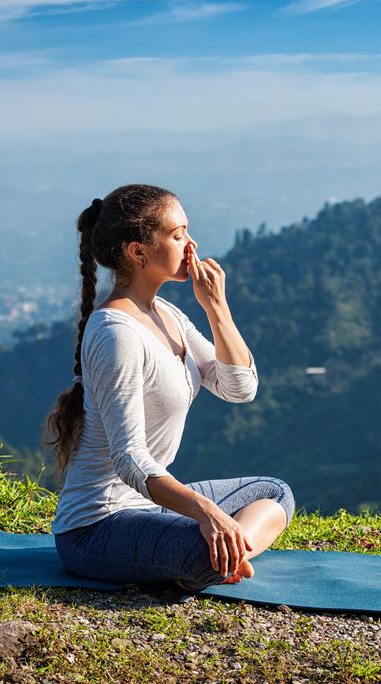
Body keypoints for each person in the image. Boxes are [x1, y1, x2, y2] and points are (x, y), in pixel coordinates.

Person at [45, 184, 294, 592]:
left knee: (274, 493)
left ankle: (225, 557)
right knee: (204, 545)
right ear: (137, 252)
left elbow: (239, 388)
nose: (191, 244)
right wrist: (206, 512)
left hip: (149, 508)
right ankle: (215, 558)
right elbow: (130, 459)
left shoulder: (168, 315)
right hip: (96, 529)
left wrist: (217, 308)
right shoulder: (116, 334)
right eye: (177, 235)